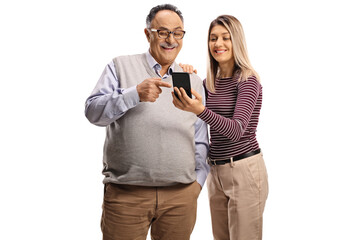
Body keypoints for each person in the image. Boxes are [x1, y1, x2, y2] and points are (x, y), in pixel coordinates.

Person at [84, 4, 209, 240]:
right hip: (126, 196)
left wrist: (197, 183)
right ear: (147, 33)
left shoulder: (192, 79)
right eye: (162, 32)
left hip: (180, 198)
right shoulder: (119, 66)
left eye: (177, 32)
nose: (171, 39)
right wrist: (134, 94)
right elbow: (92, 112)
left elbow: (200, 137)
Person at [172, 15, 269, 240]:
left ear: (237, 42)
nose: (218, 44)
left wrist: (200, 110)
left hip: (244, 169)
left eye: (226, 38)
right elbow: (188, 115)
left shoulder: (248, 80)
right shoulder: (208, 83)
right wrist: (186, 76)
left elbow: (237, 130)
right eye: (213, 38)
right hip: (216, 171)